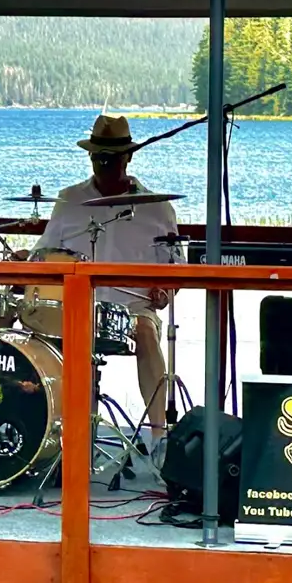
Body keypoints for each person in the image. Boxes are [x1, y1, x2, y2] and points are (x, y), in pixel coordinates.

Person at [32, 114, 176, 436]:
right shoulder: (69, 200)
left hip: (133, 307)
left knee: (147, 334)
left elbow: (173, 267)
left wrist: (164, 289)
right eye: (97, 157)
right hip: (77, 304)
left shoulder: (157, 207)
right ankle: (59, 433)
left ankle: (158, 435)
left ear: (128, 156)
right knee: (40, 332)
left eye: (110, 157)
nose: (102, 163)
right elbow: (44, 254)